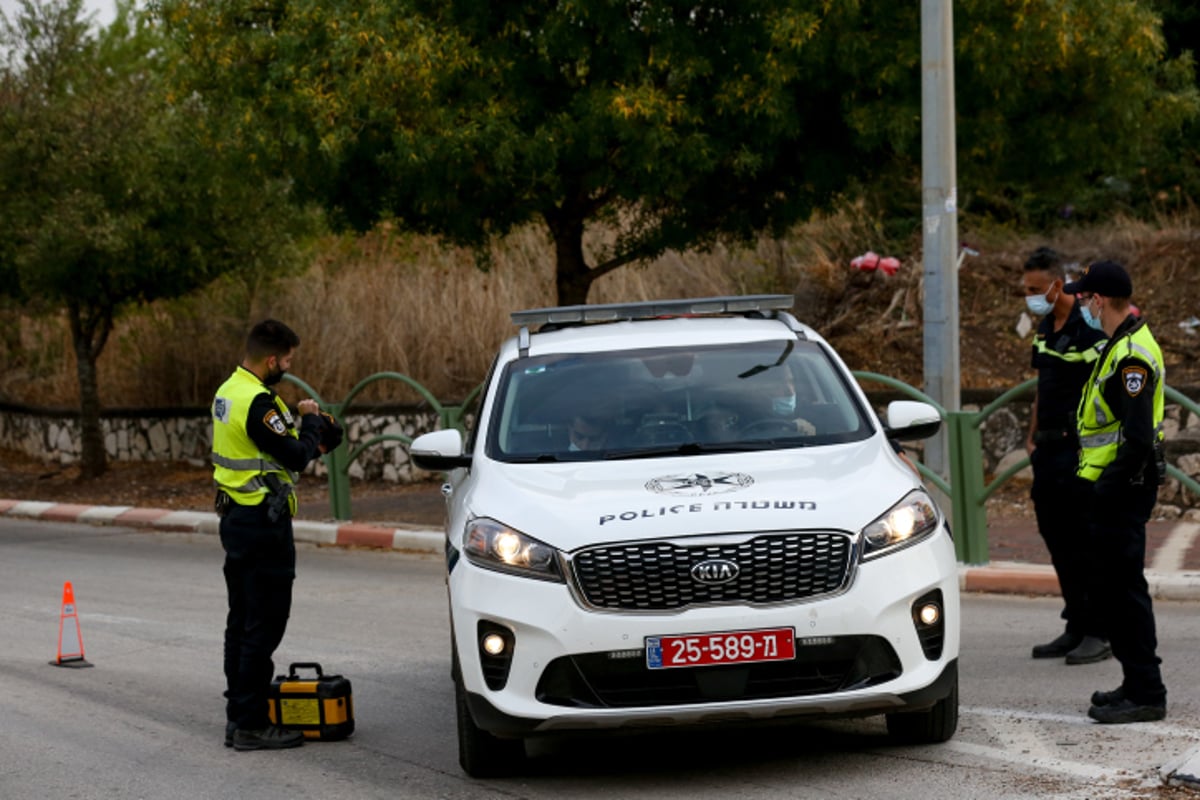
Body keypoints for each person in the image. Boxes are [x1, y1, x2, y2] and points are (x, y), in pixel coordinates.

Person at [211, 319, 342, 750]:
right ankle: (250, 723)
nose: (287, 366)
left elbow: (285, 442)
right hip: (262, 526)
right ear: (272, 359)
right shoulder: (258, 404)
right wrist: (309, 422)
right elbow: (296, 454)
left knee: (241, 622)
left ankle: (239, 715)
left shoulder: (229, 390)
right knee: (263, 626)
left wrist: (317, 430)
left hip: (236, 521)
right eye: (286, 360)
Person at [1063, 261, 1167, 724]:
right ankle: (1135, 683)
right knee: (1114, 591)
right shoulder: (1120, 345)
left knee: (1124, 593)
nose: (1081, 304)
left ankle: (1147, 691)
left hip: (1122, 491)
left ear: (1099, 301)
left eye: (1084, 298)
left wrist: (1106, 487)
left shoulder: (1130, 356)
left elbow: (1139, 437)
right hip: (1113, 489)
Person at [1021, 247, 1111, 665]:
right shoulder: (1045, 326)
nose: (1031, 296)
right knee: (1056, 539)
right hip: (1048, 447)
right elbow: (1044, 384)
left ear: (1059, 283)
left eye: (1037, 289)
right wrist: (1031, 435)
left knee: (1085, 540)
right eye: (1027, 289)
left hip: (1079, 450)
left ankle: (1099, 629)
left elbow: (1104, 386)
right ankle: (1076, 623)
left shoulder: (1089, 325)